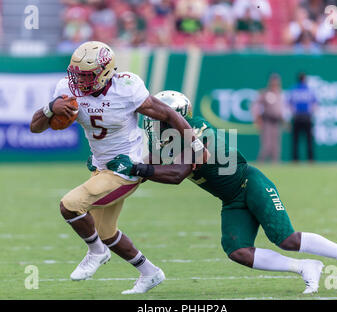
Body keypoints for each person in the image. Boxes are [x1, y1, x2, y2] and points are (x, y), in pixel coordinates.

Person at [110, 90, 337, 294]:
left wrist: (136, 167)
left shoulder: (198, 133)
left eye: (160, 118)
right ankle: (305, 267)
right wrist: (111, 171)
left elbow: (176, 174)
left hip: (250, 184)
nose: (153, 123)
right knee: (238, 251)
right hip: (231, 199)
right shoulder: (166, 137)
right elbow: (148, 166)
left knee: (286, 238)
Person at [29, 42, 207, 294]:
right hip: (102, 167)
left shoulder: (126, 88)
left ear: (104, 72)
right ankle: (150, 272)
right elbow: (35, 127)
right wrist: (50, 109)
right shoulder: (67, 89)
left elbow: (168, 114)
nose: (78, 80)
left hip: (127, 168)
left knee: (70, 205)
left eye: (85, 75)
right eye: (76, 73)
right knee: (105, 231)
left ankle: (96, 252)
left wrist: (196, 146)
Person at [251, 73, 286, 163]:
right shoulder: (265, 93)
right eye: (273, 81)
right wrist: (257, 119)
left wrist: (284, 122)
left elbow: (281, 110)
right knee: (267, 145)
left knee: (276, 146)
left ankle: (275, 164)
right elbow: (256, 106)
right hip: (267, 121)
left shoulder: (280, 93)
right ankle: (261, 163)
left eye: (277, 81)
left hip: (277, 122)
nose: (275, 83)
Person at [288, 72, 317, 162]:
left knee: (296, 141)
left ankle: (295, 160)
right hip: (307, 117)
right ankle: (310, 160)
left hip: (297, 117)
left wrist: (293, 113)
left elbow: (288, 104)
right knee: (308, 140)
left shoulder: (293, 89)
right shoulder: (309, 90)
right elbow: (315, 104)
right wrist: (311, 113)